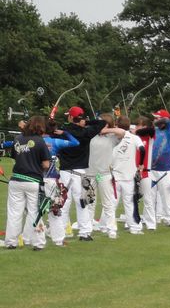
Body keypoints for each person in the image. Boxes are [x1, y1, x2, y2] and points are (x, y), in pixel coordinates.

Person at [56, 105, 106, 241]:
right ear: (81, 118)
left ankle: (60, 232)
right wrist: (86, 122)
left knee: (64, 202)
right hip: (80, 171)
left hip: (65, 170)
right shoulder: (86, 132)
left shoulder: (63, 130)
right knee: (82, 202)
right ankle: (84, 233)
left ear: (71, 117)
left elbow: (49, 128)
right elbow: (102, 122)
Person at [4, 115, 51, 250]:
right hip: (33, 181)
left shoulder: (18, 138)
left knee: (14, 212)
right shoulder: (40, 141)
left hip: (16, 179)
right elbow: (46, 164)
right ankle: (38, 242)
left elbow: (15, 156)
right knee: (35, 212)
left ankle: (11, 241)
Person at [110, 115, 144, 235]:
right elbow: (142, 149)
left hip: (115, 176)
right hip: (128, 176)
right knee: (129, 203)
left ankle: (109, 228)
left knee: (112, 204)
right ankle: (134, 228)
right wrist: (140, 164)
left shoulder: (112, 138)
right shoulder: (134, 138)